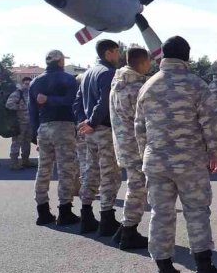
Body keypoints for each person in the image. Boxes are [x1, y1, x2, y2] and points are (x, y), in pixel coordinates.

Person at [135, 36, 217, 273]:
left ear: (163, 56)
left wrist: (147, 155)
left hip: (156, 162)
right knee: (197, 212)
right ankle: (204, 270)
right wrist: (216, 154)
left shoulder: (148, 86)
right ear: (187, 56)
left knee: (161, 214)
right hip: (190, 162)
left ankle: (165, 272)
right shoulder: (197, 85)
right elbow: (211, 124)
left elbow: (139, 128)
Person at [74, 39, 121, 237]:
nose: (119, 55)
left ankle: (86, 214)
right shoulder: (108, 73)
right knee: (110, 174)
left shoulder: (87, 74)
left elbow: (77, 102)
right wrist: (92, 122)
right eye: (117, 51)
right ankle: (107, 218)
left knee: (91, 172)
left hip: (90, 131)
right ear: (108, 53)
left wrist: (83, 122)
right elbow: (104, 102)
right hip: (102, 129)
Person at [28, 50, 81, 226]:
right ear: (60, 62)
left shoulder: (35, 81)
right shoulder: (68, 79)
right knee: (66, 169)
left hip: (44, 127)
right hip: (63, 126)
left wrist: (35, 132)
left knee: (43, 169)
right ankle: (65, 211)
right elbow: (71, 101)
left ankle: (42, 212)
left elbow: (32, 110)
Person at [108, 47, 152, 250]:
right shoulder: (137, 87)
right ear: (142, 63)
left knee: (135, 186)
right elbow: (146, 120)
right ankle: (128, 231)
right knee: (137, 188)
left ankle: (123, 231)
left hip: (124, 144)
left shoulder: (118, 81)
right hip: (136, 145)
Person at [6, 77, 35, 170]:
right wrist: (21, 107)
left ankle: (25, 160)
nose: (28, 86)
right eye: (26, 84)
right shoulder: (17, 94)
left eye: (30, 84)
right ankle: (14, 162)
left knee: (27, 142)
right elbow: (9, 105)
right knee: (16, 142)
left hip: (29, 123)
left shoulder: (32, 94)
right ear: (22, 84)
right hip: (19, 123)